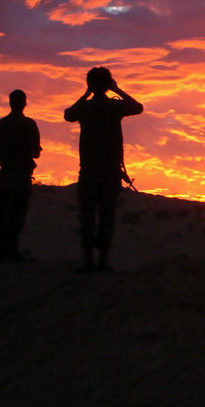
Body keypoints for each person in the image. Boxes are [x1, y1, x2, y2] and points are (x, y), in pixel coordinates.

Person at [64, 67, 143, 272]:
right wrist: (117, 90)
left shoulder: (86, 107)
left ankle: (89, 259)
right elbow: (137, 107)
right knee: (107, 217)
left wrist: (86, 94)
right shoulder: (114, 107)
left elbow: (68, 115)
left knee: (87, 216)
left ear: (91, 84)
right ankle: (102, 260)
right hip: (109, 172)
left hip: (89, 171)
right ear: (108, 84)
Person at [0, 89, 41, 263]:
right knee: (16, 215)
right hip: (20, 175)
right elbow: (36, 152)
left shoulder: (1, 124)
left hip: (5, 175)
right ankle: (11, 252)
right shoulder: (28, 124)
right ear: (24, 103)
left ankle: (3, 252)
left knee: (2, 215)